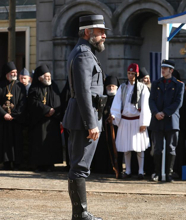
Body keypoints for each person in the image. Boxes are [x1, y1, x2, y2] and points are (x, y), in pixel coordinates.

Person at [62, 14, 108, 220]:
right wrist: (92, 123)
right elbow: (82, 92)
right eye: (100, 32)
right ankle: (80, 214)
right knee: (80, 167)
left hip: (84, 117)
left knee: (80, 166)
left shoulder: (85, 52)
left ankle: (80, 213)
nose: (104, 36)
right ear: (88, 32)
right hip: (84, 119)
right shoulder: (83, 54)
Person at [111, 63, 151, 180]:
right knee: (126, 147)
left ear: (137, 74)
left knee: (139, 148)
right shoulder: (122, 87)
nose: (130, 76)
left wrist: (144, 122)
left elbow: (145, 106)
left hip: (137, 120)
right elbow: (117, 103)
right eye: (129, 73)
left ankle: (140, 171)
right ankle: (127, 170)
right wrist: (114, 115)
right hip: (125, 120)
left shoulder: (143, 88)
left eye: (133, 74)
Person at [149, 59, 184, 182]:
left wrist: (165, 112)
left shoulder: (179, 85)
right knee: (157, 148)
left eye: (165, 68)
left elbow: (178, 102)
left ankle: (169, 174)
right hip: (157, 119)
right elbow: (151, 100)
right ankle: (157, 173)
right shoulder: (156, 83)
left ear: (171, 70)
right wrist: (156, 113)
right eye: (162, 68)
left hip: (171, 119)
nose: (163, 70)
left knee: (171, 147)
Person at [28, 64, 63, 171]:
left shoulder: (54, 86)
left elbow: (58, 101)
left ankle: (50, 164)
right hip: (39, 121)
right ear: (39, 77)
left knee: (51, 143)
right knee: (39, 142)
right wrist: (46, 110)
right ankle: (39, 165)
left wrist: (53, 111)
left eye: (49, 76)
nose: (48, 78)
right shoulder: (34, 88)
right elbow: (33, 102)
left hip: (52, 121)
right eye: (46, 76)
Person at [91, 75, 123, 175]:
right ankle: (100, 168)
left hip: (116, 128)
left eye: (113, 86)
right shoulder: (102, 98)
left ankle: (115, 168)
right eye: (109, 86)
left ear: (117, 87)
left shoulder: (120, 99)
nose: (111, 88)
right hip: (103, 128)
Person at [0, 61, 26, 170]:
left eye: (15, 72)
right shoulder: (0, 85)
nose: (14, 74)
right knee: (5, 141)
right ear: (6, 73)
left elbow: (23, 103)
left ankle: (17, 163)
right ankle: (6, 163)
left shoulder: (20, 86)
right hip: (2, 120)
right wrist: (4, 114)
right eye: (12, 72)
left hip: (16, 120)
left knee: (16, 141)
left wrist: (14, 115)